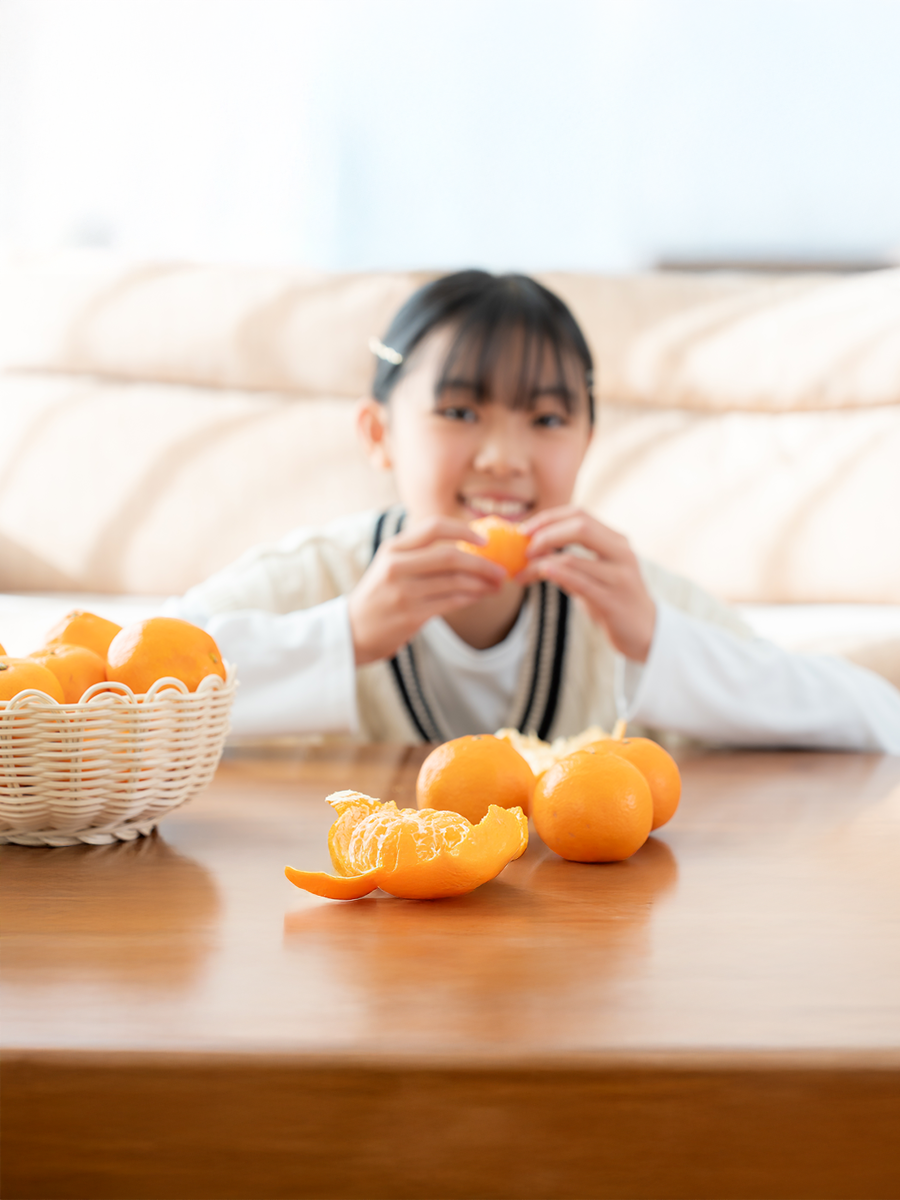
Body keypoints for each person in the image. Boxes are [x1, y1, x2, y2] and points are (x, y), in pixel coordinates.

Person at [166, 271, 900, 751]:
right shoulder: (321, 577)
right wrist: (343, 636)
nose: (504, 458)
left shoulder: (624, 600)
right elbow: (103, 692)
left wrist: (658, 643)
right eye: (460, 410)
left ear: (588, 440)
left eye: (546, 421)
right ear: (378, 433)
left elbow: (874, 717)